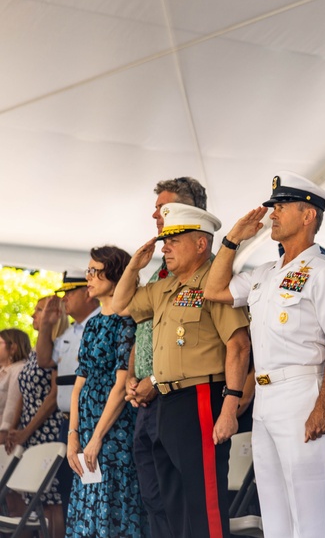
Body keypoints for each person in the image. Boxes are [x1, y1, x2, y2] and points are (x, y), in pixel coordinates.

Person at [205, 172, 325, 538]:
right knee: (272, 506)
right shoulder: (264, 273)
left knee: (309, 505)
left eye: (282, 207)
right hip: (265, 395)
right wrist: (232, 240)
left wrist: (323, 405)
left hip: (304, 390)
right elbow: (213, 289)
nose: (272, 214)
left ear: (308, 216)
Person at [112, 203, 251, 538]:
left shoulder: (216, 284)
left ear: (201, 245)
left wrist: (230, 406)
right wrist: (133, 266)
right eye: (164, 241)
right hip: (165, 401)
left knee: (204, 499)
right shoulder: (165, 287)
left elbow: (239, 345)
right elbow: (120, 305)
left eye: (174, 240)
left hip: (201, 396)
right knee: (173, 498)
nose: (165, 248)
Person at [125, 176, 210, 538]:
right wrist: (134, 377)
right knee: (156, 498)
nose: (155, 214)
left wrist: (155, 380)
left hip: (179, 394)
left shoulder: (208, 271)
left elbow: (210, 348)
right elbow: (127, 313)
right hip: (146, 399)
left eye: (164, 207)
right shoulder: (162, 271)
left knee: (188, 502)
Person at [66, 245, 146, 537]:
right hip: (87, 427)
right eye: (88, 271)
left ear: (115, 275)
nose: (88, 277)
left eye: (94, 271)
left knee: (114, 503)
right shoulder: (93, 324)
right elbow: (78, 385)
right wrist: (74, 436)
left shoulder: (126, 322)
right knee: (87, 503)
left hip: (115, 430)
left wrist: (97, 437)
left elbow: (120, 384)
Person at [37, 271, 98, 518]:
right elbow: (44, 360)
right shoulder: (70, 332)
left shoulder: (100, 322)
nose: (65, 299)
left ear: (88, 292)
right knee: (68, 489)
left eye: (70, 292)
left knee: (90, 488)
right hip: (66, 422)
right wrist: (46, 325)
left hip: (89, 421)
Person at [12, 296, 68, 538]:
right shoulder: (37, 349)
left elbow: (54, 396)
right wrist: (16, 427)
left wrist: (27, 430)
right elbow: (23, 392)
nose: (35, 315)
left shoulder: (58, 345)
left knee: (52, 501)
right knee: (36, 500)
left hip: (48, 429)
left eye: (40, 310)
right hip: (30, 429)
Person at [0, 329, 30, 448]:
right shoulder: (3, 372)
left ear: (13, 347)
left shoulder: (19, 369)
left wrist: (4, 433)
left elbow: (12, 406)